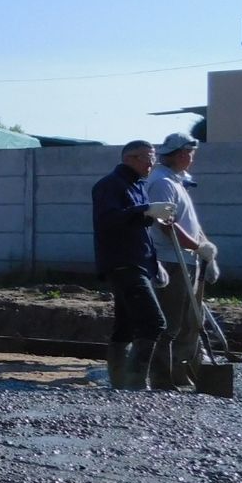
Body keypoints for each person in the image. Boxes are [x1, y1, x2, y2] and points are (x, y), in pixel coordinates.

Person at [92, 140, 176, 390]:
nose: (152, 163)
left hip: (138, 261)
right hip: (122, 262)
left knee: (126, 324)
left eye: (153, 158)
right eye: (147, 158)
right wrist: (146, 209)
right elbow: (108, 220)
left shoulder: (138, 186)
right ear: (130, 158)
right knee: (153, 322)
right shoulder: (109, 185)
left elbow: (138, 228)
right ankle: (135, 382)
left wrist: (154, 261)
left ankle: (119, 380)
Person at [145, 132, 220, 390]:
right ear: (180, 154)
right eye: (190, 153)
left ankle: (183, 374)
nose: (192, 159)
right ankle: (162, 378)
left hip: (188, 260)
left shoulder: (178, 182)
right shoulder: (161, 182)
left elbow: (191, 224)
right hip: (171, 260)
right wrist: (197, 247)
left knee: (190, 322)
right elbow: (168, 226)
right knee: (171, 323)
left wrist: (205, 250)